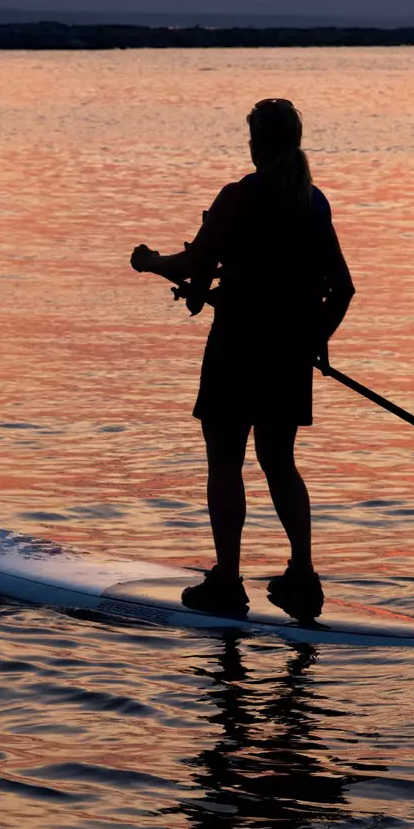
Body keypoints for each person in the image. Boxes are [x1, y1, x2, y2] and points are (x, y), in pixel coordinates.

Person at [130, 98, 355, 622]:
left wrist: (148, 262)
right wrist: (316, 337)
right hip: (287, 356)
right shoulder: (313, 201)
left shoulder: (239, 196)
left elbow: (194, 263)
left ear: (257, 142)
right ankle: (302, 576)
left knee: (225, 462)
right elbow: (341, 288)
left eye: (252, 137)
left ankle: (228, 583)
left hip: (237, 348)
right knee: (280, 463)